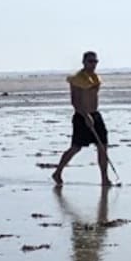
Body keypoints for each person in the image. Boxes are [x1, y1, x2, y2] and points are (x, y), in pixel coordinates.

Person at [51, 51, 109, 187]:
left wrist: (92, 116)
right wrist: (85, 115)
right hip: (81, 116)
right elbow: (75, 101)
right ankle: (58, 172)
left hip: (96, 115)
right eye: (90, 61)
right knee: (76, 148)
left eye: (95, 62)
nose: (93, 64)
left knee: (103, 147)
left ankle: (104, 179)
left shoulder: (95, 78)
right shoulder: (77, 79)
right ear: (84, 62)